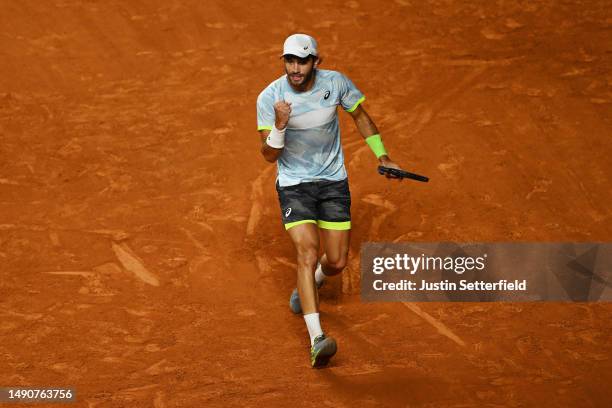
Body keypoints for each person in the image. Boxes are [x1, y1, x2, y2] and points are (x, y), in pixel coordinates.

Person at [256, 33, 404, 368]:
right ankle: (317, 338)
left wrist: (383, 156)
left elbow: (360, 117)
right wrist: (280, 125)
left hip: (333, 181)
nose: (295, 68)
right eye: (289, 60)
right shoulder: (270, 97)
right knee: (306, 251)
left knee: (336, 262)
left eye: (302, 61)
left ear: (315, 62)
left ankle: (314, 283)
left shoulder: (335, 84)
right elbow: (268, 155)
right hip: (295, 185)